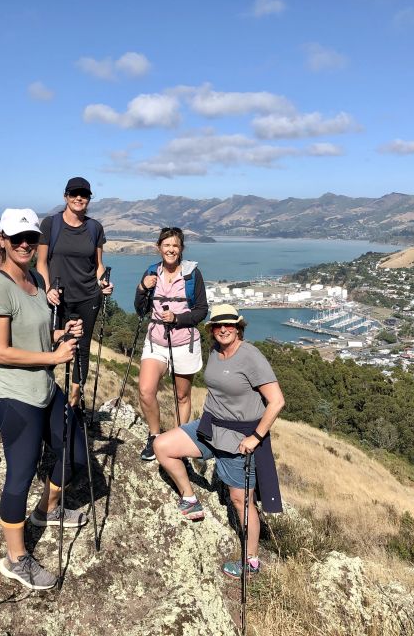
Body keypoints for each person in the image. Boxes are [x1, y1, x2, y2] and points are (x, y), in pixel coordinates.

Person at [0, 207, 89, 591]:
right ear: (3, 242)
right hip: (13, 396)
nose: (25, 244)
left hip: (43, 388)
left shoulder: (37, 282)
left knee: (74, 452)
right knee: (21, 474)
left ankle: (47, 511)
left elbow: (39, 333)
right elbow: (1, 351)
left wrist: (61, 333)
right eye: (17, 239)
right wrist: (53, 357)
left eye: (30, 238)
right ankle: (15, 558)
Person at [153, 304, 285, 578]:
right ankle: (190, 498)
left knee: (240, 501)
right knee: (162, 446)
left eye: (229, 325)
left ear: (239, 327)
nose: (223, 329)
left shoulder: (251, 356)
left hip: (240, 438)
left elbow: (277, 401)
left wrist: (256, 437)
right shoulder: (214, 350)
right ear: (212, 329)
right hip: (210, 428)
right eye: (217, 325)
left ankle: (251, 561)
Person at [36, 176, 113, 413]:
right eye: (74, 194)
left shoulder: (94, 228)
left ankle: (75, 401)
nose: (79, 198)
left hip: (88, 297)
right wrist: (47, 289)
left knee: (81, 349)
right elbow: (40, 263)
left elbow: (98, 264)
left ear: (89, 199)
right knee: (47, 344)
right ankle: (44, 399)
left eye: (84, 195)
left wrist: (103, 283)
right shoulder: (51, 224)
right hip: (57, 299)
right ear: (65, 196)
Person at [134, 227, 208, 461]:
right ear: (159, 248)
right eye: (166, 245)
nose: (171, 249)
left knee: (182, 397)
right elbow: (140, 309)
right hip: (156, 342)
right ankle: (155, 436)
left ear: (181, 249)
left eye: (175, 245)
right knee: (146, 391)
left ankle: (178, 441)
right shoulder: (150, 272)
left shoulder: (192, 275)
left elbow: (202, 311)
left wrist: (178, 318)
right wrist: (142, 288)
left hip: (183, 342)